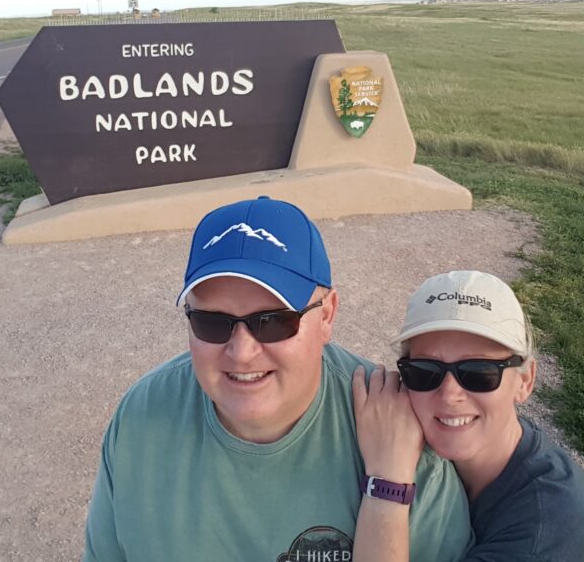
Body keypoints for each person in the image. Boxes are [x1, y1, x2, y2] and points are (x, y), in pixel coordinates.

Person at [83, 196, 473, 561]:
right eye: (212, 322)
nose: (241, 351)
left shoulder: (395, 427)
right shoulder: (141, 417)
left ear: (327, 315)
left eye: (272, 321)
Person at [352, 270, 584, 561]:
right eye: (424, 372)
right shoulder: (498, 450)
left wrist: (388, 484)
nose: (449, 394)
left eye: (480, 373)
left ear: (525, 381)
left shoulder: (548, 534)